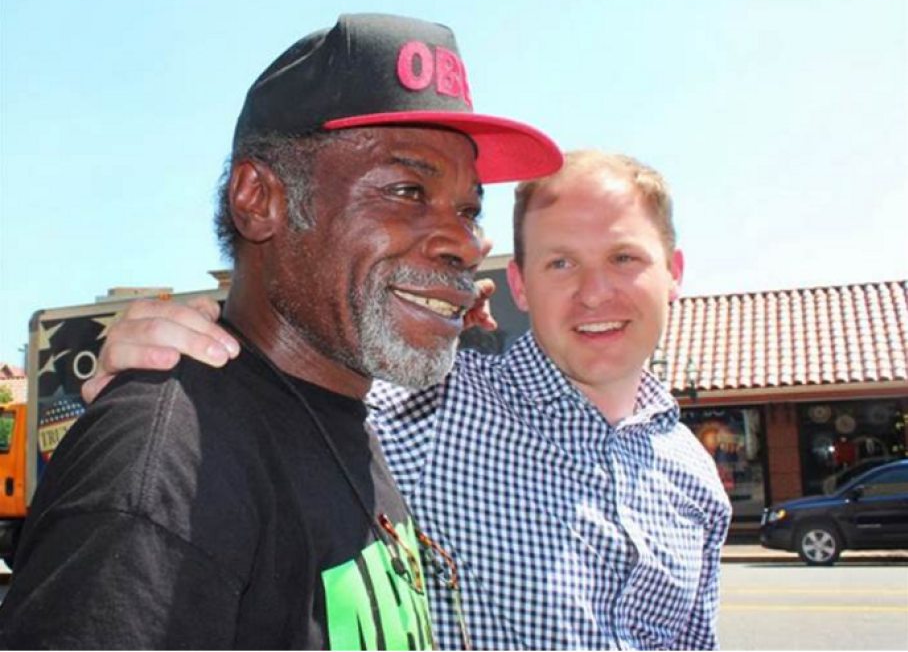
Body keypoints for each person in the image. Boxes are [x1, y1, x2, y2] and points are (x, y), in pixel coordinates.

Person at [0, 13, 562, 649]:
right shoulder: (167, 464)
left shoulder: (346, 420)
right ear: (258, 199)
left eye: (468, 209)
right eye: (409, 190)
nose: (465, 240)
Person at [81, 151, 733, 649]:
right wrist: (173, 362)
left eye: (624, 258)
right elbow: (276, 393)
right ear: (519, 284)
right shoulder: (431, 411)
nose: (594, 293)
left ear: (673, 273)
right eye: (561, 263)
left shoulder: (697, 478)